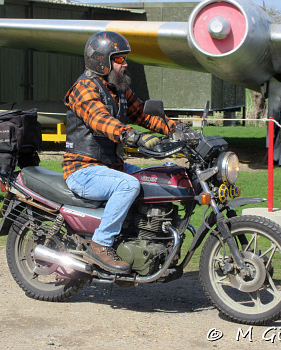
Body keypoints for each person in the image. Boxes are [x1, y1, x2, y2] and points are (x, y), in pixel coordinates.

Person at [62, 31, 191, 275]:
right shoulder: (84, 88)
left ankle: (140, 239)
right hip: (83, 170)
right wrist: (130, 135)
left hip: (111, 167)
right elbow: (99, 119)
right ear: (102, 61)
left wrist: (179, 130)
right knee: (128, 186)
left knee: (155, 178)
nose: (125, 64)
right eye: (119, 59)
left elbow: (144, 114)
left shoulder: (118, 89)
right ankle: (100, 245)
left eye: (124, 59)